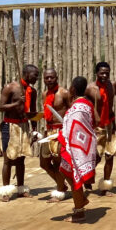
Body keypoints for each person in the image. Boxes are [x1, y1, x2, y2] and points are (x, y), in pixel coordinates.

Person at [86, 61, 116, 195]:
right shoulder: (90, 88)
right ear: (96, 73)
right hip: (96, 127)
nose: (104, 75)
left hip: (110, 125)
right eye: (102, 73)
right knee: (96, 157)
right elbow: (79, 101)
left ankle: (105, 186)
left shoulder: (113, 85)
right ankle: (87, 178)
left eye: (107, 73)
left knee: (109, 156)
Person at [0, 64, 39, 201]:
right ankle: (5, 192)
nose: (37, 78)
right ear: (27, 74)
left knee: (21, 159)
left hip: (24, 126)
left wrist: (34, 128)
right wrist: (16, 103)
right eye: (35, 75)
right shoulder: (11, 87)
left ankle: (21, 189)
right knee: (8, 160)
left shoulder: (32, 91)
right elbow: (1, 107)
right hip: (9, 126)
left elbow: (32, 111)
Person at [59, 76, 97, 222]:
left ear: (73, 89)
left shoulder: (77, 107)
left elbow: (73, 130)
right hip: (82, 146)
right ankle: (80, 201)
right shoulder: (87, 104)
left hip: (77, 148)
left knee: (74, 177)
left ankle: (79, 211)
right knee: (68, 173)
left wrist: (61, 137)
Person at [40, 68, 72, 202]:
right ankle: (62, 185)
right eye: (46, 78)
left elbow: (72, 110)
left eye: (51, 77)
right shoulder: (44, 94)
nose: (49, 80)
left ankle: (60, 190)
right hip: (49, 131)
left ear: (56, 77)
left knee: (58, 162)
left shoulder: (64, 93)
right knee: (44, 163)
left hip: (61, 132)